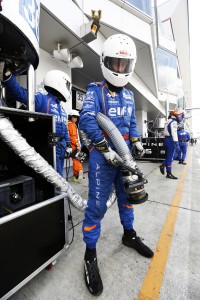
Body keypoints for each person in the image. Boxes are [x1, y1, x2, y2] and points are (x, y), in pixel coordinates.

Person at [79, 34, 154, 296]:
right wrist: (103, 149)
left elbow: (132, 123)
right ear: (105, 63)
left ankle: (129, 235)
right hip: (103, 157)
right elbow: (86, 121)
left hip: (125, 158)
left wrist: (136, 141)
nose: (120, 70)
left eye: (124, 65)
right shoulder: (95, 90)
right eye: (116, 64)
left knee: (127, 197)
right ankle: (90, 255)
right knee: (97, 206)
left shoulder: (131, 96)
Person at [2, 69, 71, 177]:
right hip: (48, 148)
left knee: (60, 177)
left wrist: (68, 144)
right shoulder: (42, 99)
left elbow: (65, 129)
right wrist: (8, 77)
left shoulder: (61, 109)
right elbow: (21, 94)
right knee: (55, 180)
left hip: (61, 148)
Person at [159, 108, 185, 179]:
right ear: (178, 115)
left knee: (170, 156)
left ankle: (163, 165)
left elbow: (164, 133)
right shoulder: (174, 122)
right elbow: (174, 133)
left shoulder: (168, 121)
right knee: (170, 157)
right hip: (171, 140)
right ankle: (169, 173)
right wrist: (176, 143)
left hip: (166, 139)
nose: (182, 117)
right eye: (181, 115)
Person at [67, 109, 84, 183]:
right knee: (77, 161)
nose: (76, 119)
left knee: (78, 160)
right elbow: (73, 137)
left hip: (74, 145)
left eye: (77, 117)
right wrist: (77, 145)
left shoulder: (70, 124)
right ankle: (77, 175)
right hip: (74, 146)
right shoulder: (71, 125)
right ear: (70, 117)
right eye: (74, 117)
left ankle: (76, 176)